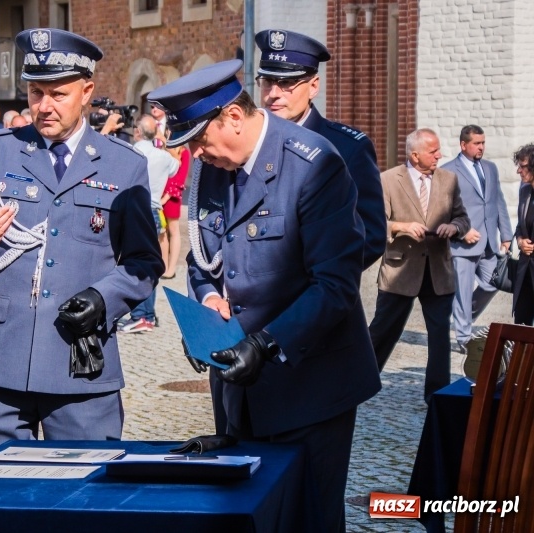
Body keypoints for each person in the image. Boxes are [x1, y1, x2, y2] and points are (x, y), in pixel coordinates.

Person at [148, 59, 381, 533]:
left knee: (308, 516)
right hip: (240, 388)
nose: (194, 152)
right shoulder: (210, 168)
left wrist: (266, 342)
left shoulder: (313, 165)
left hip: (310, 386)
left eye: (198, 139)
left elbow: (335, 285)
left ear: (233, 116)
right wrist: (210, 300)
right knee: (248, 516)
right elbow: (204, 261)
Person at [0, 28, 163, 459]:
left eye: (58, 93)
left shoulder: (123, 164)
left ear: (87, 92)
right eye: (35, 92)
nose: (43, 106)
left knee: (83, 504)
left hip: (78, 364)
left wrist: (103, 298)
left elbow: (144, 262)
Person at [255, 29, 385, 269]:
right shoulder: (251, 141)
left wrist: (314, 282)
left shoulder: (348, 148)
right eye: (267, 81)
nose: (273, 94)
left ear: (313, 86)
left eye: (287, 83)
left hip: (318, 297)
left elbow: (372, 236)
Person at [368, 128, 470, 401]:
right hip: (400, 271)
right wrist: (401, 226)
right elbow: (376, 223)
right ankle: (358, 384)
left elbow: (463, 219)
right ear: (415, 155)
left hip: (439, 271)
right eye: (433, 151)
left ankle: (437, 395)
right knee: (382, 330)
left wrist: (454, 227)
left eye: (438, 150)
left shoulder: (449, 180)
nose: (440, 155)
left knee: (439, 337)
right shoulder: (388, 180)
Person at [442, 125, 512, 351]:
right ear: (464, 145)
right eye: (477, 143)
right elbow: (443, 210)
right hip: (462, 243)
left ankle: (463, 316)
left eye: (483, 143)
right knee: (462, 290)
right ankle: (463, 338)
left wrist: (506, 235)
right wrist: (462, 231)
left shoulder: (490, 168)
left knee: (494, 283)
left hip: (489, 241)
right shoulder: (448, 171)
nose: (481, 147)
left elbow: (497, 202)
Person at [118, 113, 178, 333]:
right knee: (148, 262)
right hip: (154, 210)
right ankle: (146, 313)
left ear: (137, 131)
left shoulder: (132, 151)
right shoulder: (161, 156)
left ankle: (143, 315)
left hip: (134, 209)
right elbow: (176, 167)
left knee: (133, 263)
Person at [160, 144, 190, 279]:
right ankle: (164, 266)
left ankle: (171, 269)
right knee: (161, 231)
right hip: (159, 194)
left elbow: (181, 178)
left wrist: (167, 196)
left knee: (173, 230)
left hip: (172, 197)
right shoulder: (161, 150)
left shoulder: (185, 153)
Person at [512, 144, 534, 325]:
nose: (519, 171)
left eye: (523, 166)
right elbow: (520, 225)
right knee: (521, 323)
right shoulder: (525, 191)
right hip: (525, 268)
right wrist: (519, 240)